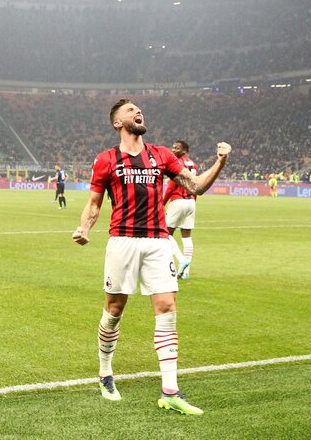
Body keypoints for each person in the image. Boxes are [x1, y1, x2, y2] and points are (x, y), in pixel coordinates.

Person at [72, 98, 231, 416]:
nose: (137, 112)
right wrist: (84, 227)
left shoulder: (162, 155)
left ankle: (170, 390)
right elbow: (94, 203)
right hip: (123, 241)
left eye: (138, 110)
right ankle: (105, 372)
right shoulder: (106, 160)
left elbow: (195, 186)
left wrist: (220, 162)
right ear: (118, 122)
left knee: (167, 306)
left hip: (158, 241)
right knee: (114, 309)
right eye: (130, 111)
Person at [161, 141, 198, 279]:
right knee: (187, 236)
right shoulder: (193, 165)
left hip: (178, 201)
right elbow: (196, 185)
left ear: (184, 151)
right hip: (190, 201)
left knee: (165, 233)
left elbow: (171, 186)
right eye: (173, 147)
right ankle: (186, 271)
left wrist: (162, 203)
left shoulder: (176, 163)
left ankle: (182, 260)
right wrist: (194, 200)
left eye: (177, 148)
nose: (173, 149)